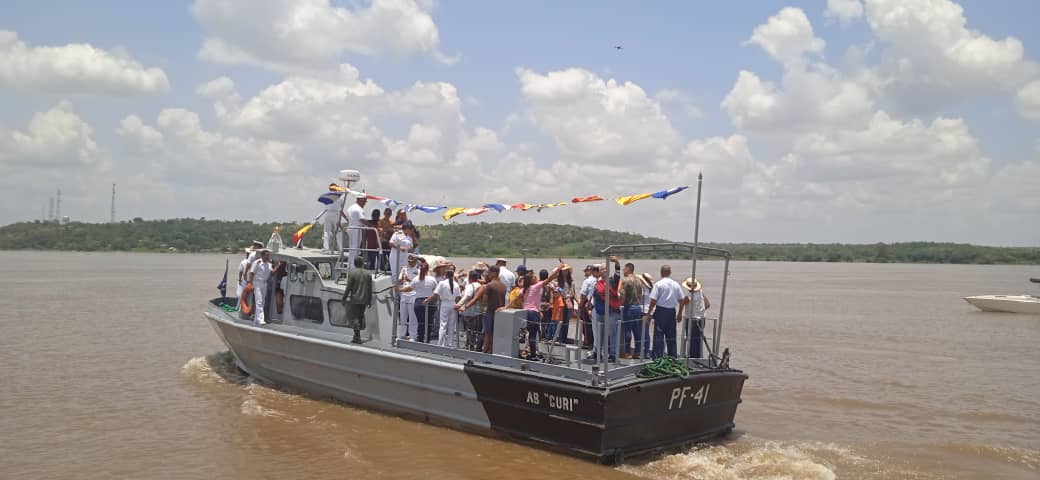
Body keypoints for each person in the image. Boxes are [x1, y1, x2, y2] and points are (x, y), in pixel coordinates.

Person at [519, 263, 563, 360]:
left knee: (530, 333)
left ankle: (529, 350)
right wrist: (558, 269)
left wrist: (506, 306)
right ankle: (533, 354)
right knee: (533, 334)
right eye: (533, 277)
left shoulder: (525, 289)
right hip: (534, 312)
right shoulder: (536, 286)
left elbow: (516, 297)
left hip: (525, 312)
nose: (535, 278)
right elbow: (550, 279)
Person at [646, 265, 689, 358]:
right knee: (671, 336)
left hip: (661, 311)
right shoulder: (676, 284)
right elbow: (681, 300)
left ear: (661, 272)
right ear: (670, 273)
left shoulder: (658, 284)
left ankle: (657, 356)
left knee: (659, 335)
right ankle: (672, 356)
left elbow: (653, 300)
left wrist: (649, 313)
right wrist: (680, 313)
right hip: (671, 311)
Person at [461, 265, 505, 354]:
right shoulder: (503, 285)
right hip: (500, 313)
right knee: (494, 333)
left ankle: (484, 351)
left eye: (489, 272)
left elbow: (481, 299)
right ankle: (492, 351)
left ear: (494, 273)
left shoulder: (489, 285)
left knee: (487, 333)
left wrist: (465, 306)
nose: (488, 274)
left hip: (489, 312)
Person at [592, 258, 621, 362]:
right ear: (599, 272)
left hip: (612, 311)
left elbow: (618, 274)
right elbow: (595, 297)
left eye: (605, 269)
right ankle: (597, 352)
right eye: (602, 269)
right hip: (600, 312)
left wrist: (617, 263)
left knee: (612, 333)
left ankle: (613, 355)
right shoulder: (597, 283)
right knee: (600, 333)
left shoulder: (612, 281)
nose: (603, 270)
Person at [342, 257, 373, 344]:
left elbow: (348, 287)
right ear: (362, 263)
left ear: (355, 263)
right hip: (364, 299)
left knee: (355, 318)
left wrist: (344, 297)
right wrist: (369, 300)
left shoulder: (352, 273)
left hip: (355, 299)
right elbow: (370, 289)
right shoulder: (368, 274)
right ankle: (356, 336)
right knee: (360, 317)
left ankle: (357, 337)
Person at [429, 269, 462, 348]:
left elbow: (435, 295)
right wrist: (458, 305)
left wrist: (428, 299)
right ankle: (450, 343)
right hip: (453, 304)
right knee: (451, 325)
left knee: (443, 324)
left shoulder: (442, 283)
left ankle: (441, 343)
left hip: (445, 303)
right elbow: (458, 297)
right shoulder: (456, 284)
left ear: (446, 275)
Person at [619, 262, 645, 359]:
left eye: (624, 269)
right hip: (638, 307)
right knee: (637, 331)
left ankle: (627, 352)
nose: (622, 270)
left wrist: (620, 304)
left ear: (628, 269)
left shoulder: (625, 281)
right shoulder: (639, 280)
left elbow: (623, 295)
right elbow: (641, 295)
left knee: (627, 330)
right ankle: (637, 352)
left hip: (629, 307)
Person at [409, 260, 439, 343]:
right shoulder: (432, 279)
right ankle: (428, 340)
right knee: (429, 322)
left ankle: (420, 339)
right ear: (428, 270)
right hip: (430, 302)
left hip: (419, 302)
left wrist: (399, 289)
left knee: (420, 323)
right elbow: (436, 292)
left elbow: (410, 288)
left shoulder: (415, 279)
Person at [682, 277, 711, 358]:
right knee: (698, 339)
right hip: (701, 319)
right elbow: (708, 304)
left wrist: (680, 313)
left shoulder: (688, 296)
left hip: (691, 319)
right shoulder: (701, 293)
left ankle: (692, 356)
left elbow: (682, 304)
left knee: (690, 338)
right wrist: (700, 310)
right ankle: (697, 356)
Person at [457, 270, 485, 350]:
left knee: (469, 330)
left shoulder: (470, 286)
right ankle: (475, 346)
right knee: (476, 331)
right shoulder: (480, 285)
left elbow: (467, 296)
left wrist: (459, 304)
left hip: (469, 312)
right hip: (478, 311)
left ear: (469, 278)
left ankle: (470, 347)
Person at [548, 266, 574, 344]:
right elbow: (554, 291)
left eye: (566, 271)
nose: (565, 272)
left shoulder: (571, 281)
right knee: (558, 320)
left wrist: (568, 297)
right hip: (560, 302)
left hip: (568, 301)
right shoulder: (557, 282)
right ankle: (557, 338)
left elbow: (572, 292)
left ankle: (564, 338)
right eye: (563, 271)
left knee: (566, 321)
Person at [396, 255, 420, 339]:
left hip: (413, 295)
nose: (410, 263)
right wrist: (402, 278)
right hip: (404, 295)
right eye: (409, 261)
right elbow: (398, 281)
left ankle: (413, 336)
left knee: (412, 318)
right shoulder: (404, 269)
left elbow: (418, 282)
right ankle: (402, 335)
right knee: (403, 317)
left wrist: (409, 279)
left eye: (412, 261)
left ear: (416, 261)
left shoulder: (418, 270)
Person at [248, 249, 273, 325]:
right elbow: (252, 273)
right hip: (257, 284)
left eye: (268, 255)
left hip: (264, 284)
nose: (268, 257)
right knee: (259, 301)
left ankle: (256, 319)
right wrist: (251, 284)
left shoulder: (269, 264)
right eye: (266, 255)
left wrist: (278, 266)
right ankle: (261, 319)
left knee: (263, 302)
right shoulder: (257, 263)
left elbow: (273, 272)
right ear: (262, 256)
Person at [322, 184, 345, 254]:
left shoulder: (326, 196)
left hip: (328, 213)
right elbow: (341, 208)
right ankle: (340, 249)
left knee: (326, 231)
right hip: (336, 214)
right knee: (338, 232)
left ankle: (326, 248)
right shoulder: (340, 197)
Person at [577, 265, 596, 349]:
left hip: (586, 303)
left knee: (586, 324)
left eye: (586, 271)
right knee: (593, 325)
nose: (585, 273)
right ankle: (593, 342)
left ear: (590, 271)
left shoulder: (587, 281)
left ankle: (587, 342)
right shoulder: (597, 280)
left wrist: (580, 305)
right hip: (594, 304)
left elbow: (583, 294)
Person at [346, 196, 367, 268]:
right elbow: (362, 219)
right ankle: (353, 266)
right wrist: (373, 226)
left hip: (350, 228)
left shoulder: (350, 208)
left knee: (352, 247)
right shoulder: (358, 209)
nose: (364, 203)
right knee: (355, 247)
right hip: (356, 229)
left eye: (365, 202)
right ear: (359, 200)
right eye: (364, 201)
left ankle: (350, 263)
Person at [639, 272, 654, 359]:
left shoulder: (643, 288)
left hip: (643, 311)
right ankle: (646, 350)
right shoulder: (651, 287)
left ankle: (645, 351)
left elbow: (639, 298)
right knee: (646, 332)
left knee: (643, 332)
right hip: (649, 311)